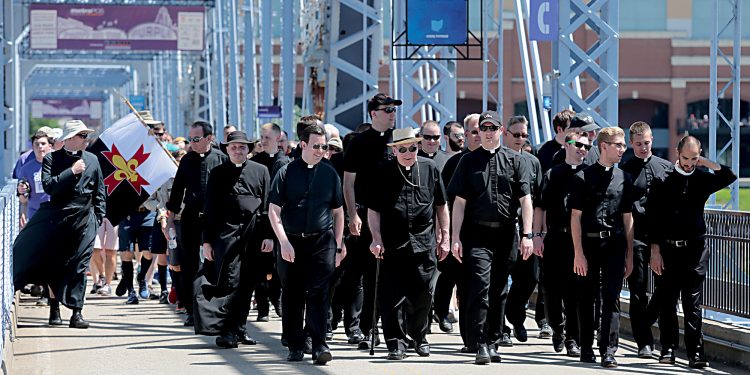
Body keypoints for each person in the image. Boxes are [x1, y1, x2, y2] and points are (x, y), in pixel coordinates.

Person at [448, 111, 534, 364]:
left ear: (500, 132)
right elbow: (459, 203)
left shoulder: (516, 161)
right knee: (480, 286)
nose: (487, 132)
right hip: (476, 233)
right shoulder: (468, 161)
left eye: (492, 128)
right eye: (482, 128)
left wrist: (527, 234)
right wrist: (455, 237)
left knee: (498, 289)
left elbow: (526, 200)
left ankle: (495, 339)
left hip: (506, 233)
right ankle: (480, 342)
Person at [648, 135, 736, 369]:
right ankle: (667, 349)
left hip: (695, 251)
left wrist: (705, 163)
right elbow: (653, 218)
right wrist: (655, 251)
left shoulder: (702, 178)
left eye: (694, 158)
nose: (689, 163)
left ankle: (695, 354)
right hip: (667, 250)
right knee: (667, 301)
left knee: (692, 303)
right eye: (686, 157)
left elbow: (729, 175)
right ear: (677, 153)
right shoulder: (662, 179)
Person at [13, 119, 105, 329]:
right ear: (69, 139)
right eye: (82, 136)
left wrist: (97, 217)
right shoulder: (52, 159)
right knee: (55, 265)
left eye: (86, 136)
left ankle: (77, 312)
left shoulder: (92, 159)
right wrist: (71, 172)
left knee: (80, 266)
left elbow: (100, 191)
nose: (86, 139)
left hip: (85, 218)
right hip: (59, 216)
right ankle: (54, 309)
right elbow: (48, 187)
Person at [367, 128, 450, 360]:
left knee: (423, 294)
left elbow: (441, 206)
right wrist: (376, 238)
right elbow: (373, 211)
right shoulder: (382, 172)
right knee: (391, 297)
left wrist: (445, 236)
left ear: (418, 147)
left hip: (424, 244)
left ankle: (418, 335)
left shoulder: (430, 168)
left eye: (412, 148)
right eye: (402, 149)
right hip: (392, 245)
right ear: (394, 150)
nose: (408, 153)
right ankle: (395, 343)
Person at [268, 124, 346, 364]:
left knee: (319, 294)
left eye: (324, 146)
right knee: (292, 295)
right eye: (316, 146)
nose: (321, 150)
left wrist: (339, 245)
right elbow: (273, 210)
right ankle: (295, 344)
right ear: (303, 145)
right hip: (291, 242)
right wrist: (283, 242)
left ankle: (319, 344)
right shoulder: (286, 172)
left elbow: (339, 212)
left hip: (322, 241)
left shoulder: (329, 173)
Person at [194, 131, 271, 348]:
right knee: (230, 282)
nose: (238, 151)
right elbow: (208, 209)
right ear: (227, 149)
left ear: (249, 149)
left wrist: (269, 236)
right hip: (225, 235)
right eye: (234, 147)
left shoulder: (261, 171)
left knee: (248, 284)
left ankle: (240, 329)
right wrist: (206, 241)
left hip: (254, 235)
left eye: (242, 147)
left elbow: (267, 206)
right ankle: (227, 331)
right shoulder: (217, 173)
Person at [569, 126, 634, 368]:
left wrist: (629, 254)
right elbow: (575, 217)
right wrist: (578, 252)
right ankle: (587, 346)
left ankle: (608, 350)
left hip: (615, 245)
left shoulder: (624, 179)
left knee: (611, 298)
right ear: (603, 146)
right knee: (587, 297)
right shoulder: (582, 178)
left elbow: (628, 218)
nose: (622, 149)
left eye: (623, 145)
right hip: (589, 243)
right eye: (618, 145)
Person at [340, 93, 402, 349]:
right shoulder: (358, 143)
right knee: (359, 273)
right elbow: (348, 183)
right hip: (364, 215)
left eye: (394, 110)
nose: (392, 114)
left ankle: (376, 326)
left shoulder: (398, 140)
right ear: (374, 113)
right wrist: (352, 214)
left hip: (392, 216)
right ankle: (356, 327)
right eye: (387, 110)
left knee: (386, 275)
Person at [532, 131, 590, 357]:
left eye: (586, 146)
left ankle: (572, 339)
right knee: (551, 290)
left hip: (580, 241)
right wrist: (536, 235)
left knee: (575, 292)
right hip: (555, 238)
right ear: (567, 145)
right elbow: (540, 207)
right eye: (578, 144)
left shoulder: (589, 175)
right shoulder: (552, 174)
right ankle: (557, 327)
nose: (582, 149)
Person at [167, 121, 228, 326]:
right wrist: (170, 221)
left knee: (216, 263)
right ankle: (192, 310)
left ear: (209, 138)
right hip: (191, 218)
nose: (191, 143)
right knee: (190, 265)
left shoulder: (222, 159)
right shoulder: (186, 161)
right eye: (190, 138)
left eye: (196, 139)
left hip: (216, 219)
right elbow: (176, 192)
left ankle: (216, 308)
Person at [619, 121, 672, 359]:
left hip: (663, 237)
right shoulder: (625, 171)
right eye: (638, 144)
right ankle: (644, 342)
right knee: (638, 290)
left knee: (667, 288)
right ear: (631, 143)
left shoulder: (667, 167)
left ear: (652, 141)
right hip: (637, 236)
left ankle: (648, 320)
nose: (643, 147)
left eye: (647, 143)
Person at [501, 115, 549, 344]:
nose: (520, 139)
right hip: (503, 229)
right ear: (505, 134)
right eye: (516, 134)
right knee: (498, 280)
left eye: (524, 135)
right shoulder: (497, 160)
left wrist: (536, 234)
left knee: (530, 277)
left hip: (526, 231)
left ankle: (515, 314)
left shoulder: (533, 162)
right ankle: (501, 328)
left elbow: (539, 200)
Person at [434, 113, 480, 337]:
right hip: (457, 231)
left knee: (478, 283)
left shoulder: (499, 158)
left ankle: (481, 332)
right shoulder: (454, 163)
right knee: (453, 276)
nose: (479, 135)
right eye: (473, 131)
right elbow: (443, 202)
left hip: (484, 230)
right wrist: (444, 234)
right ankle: (442, 311)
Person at [251, 122, 290, 321]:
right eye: (261, 137)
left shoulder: (285, 163)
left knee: (278, 267)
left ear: (277, 138)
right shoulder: (256, 162)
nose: (263, 141)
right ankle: (262, 307)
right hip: (258, 221)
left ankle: (278, 299)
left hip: (279, 222)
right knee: (259, 266)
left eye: (267, 137)